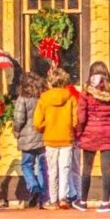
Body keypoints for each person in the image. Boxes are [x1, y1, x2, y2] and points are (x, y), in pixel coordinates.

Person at [76, 60, 110, 212]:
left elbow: (81, 117)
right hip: (109, 133)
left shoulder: (86, 92)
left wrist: (79, 133)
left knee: (87, 169)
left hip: (90, 133)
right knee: (106, 170)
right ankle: (105, 203)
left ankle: (83, 201)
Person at [33, 66, 80, 209]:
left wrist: (45, 127)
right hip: (67, 137)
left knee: (52, 170)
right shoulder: (71, 97)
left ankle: (53, 200)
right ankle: (63, 197)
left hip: (50, 138)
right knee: (65, 168)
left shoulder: (44, 98)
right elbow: (76, 120)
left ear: (50, 82)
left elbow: (37, 122)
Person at [10, 71, 47, 208]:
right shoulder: (42, 95)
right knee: (43, 166)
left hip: (27, 137)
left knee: (26, 165)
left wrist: (17, 131)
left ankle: (33, 187)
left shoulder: (22, 98)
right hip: (42, 135)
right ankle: (43, 196)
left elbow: (19, 118)